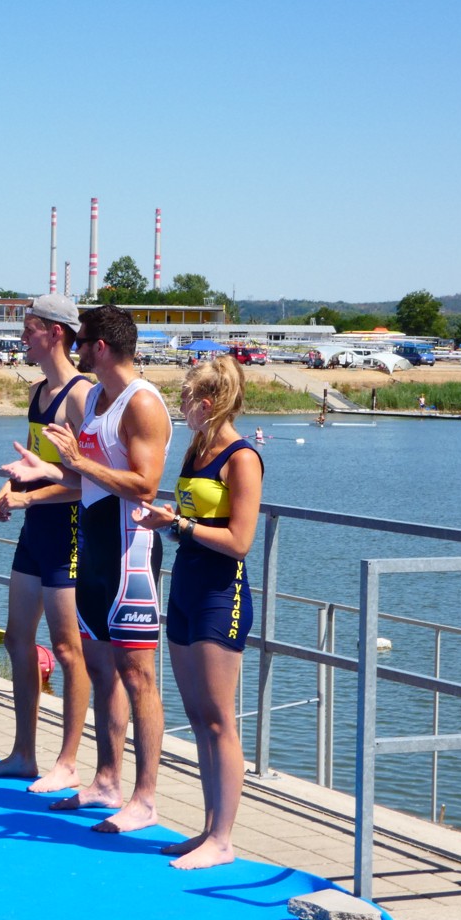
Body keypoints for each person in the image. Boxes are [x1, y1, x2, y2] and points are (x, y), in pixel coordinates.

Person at [4, 303, 172, 833]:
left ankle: (146, 797)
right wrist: (48, 471)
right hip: (94, 548)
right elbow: (88, 480)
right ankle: (106, 780)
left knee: (138, 676)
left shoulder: (141, 402)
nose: (75, 348)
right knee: (101, 670)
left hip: (130, 551)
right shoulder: (98, 400)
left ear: (100, 347)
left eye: (81, 341)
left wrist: (75, 462)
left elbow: (145, 485)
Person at [132, 357, 263, 869]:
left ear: (205, 404)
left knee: (219, 719)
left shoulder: (241, 458)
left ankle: (224, 839)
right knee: (196, 715)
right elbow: (189, 520)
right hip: (186, 584)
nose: (179, 408)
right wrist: (168, 521)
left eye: (184, 400)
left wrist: (180, 526)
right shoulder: (196, 450)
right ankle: (209, 828)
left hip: (220, 594)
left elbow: (240, 540)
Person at [0, 294, 92, 792]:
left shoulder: (82, 396)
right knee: (18, 638)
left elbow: (85, 482)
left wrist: (29, 497)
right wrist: (12, 486)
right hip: (35, 529)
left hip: (67, 531)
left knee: (67, 648)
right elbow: (39, 464)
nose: (22, 337)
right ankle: (23, 752)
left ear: (56, 332)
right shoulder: (39, 391)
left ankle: (68, 760)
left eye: (30, 328)